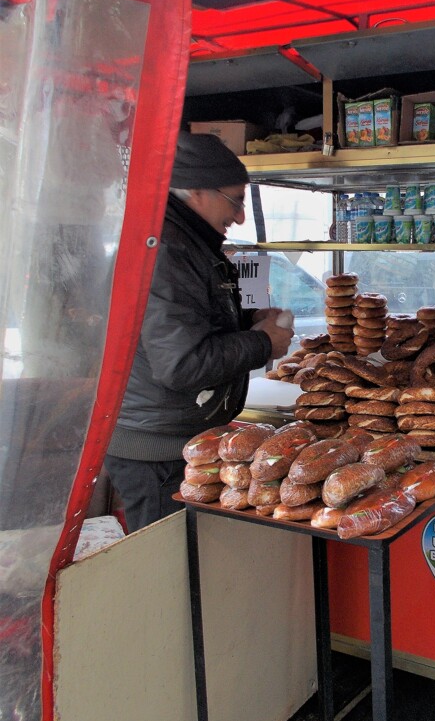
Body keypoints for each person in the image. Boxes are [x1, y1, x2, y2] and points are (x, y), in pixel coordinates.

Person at [104, 131, 294, 532]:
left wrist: (247, 321)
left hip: (176, 442)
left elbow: (191, 326)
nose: (241, 216)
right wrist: (263, 342)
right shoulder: (168, 250)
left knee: (185, 573)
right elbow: (183, 363)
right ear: (196, 192)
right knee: (168, 576)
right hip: (159, 453)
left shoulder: (188, 240)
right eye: (236, 201)